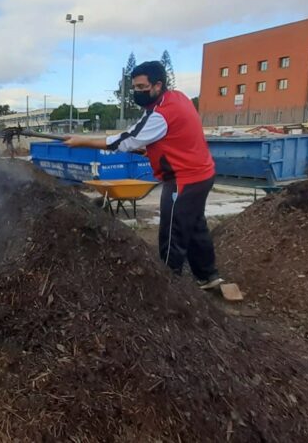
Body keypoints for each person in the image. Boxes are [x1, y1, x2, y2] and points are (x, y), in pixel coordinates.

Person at [64, 61, 223, 289]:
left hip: (183, 179)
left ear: (158, 85)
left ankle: (169, 287)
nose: (137, 92)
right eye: (134, 88)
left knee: (172, 233)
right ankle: (209, 276)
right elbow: (171, 138)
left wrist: (82, 141)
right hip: (202, 174)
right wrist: (148, 148)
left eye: (141, 87)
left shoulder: (161, 114)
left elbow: (124, 140)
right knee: (195, 225)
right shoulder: (177, 98)